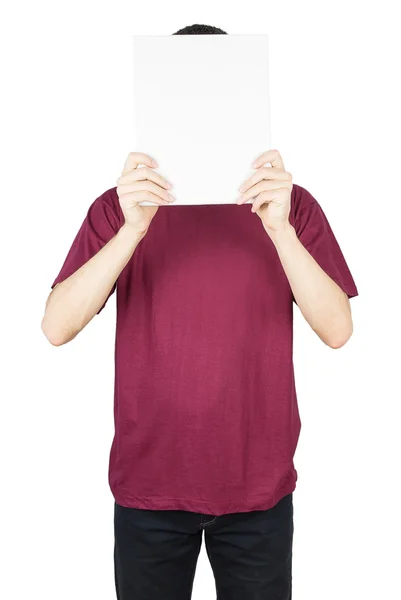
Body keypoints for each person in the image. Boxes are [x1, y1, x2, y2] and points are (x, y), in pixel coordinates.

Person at [42, 23, 358, 600]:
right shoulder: (120, 210)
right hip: (148, 490)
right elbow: (56, 326)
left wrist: (280, 228)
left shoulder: (291, 207)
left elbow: (338, 330)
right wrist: (132, 229)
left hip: (258, 492)